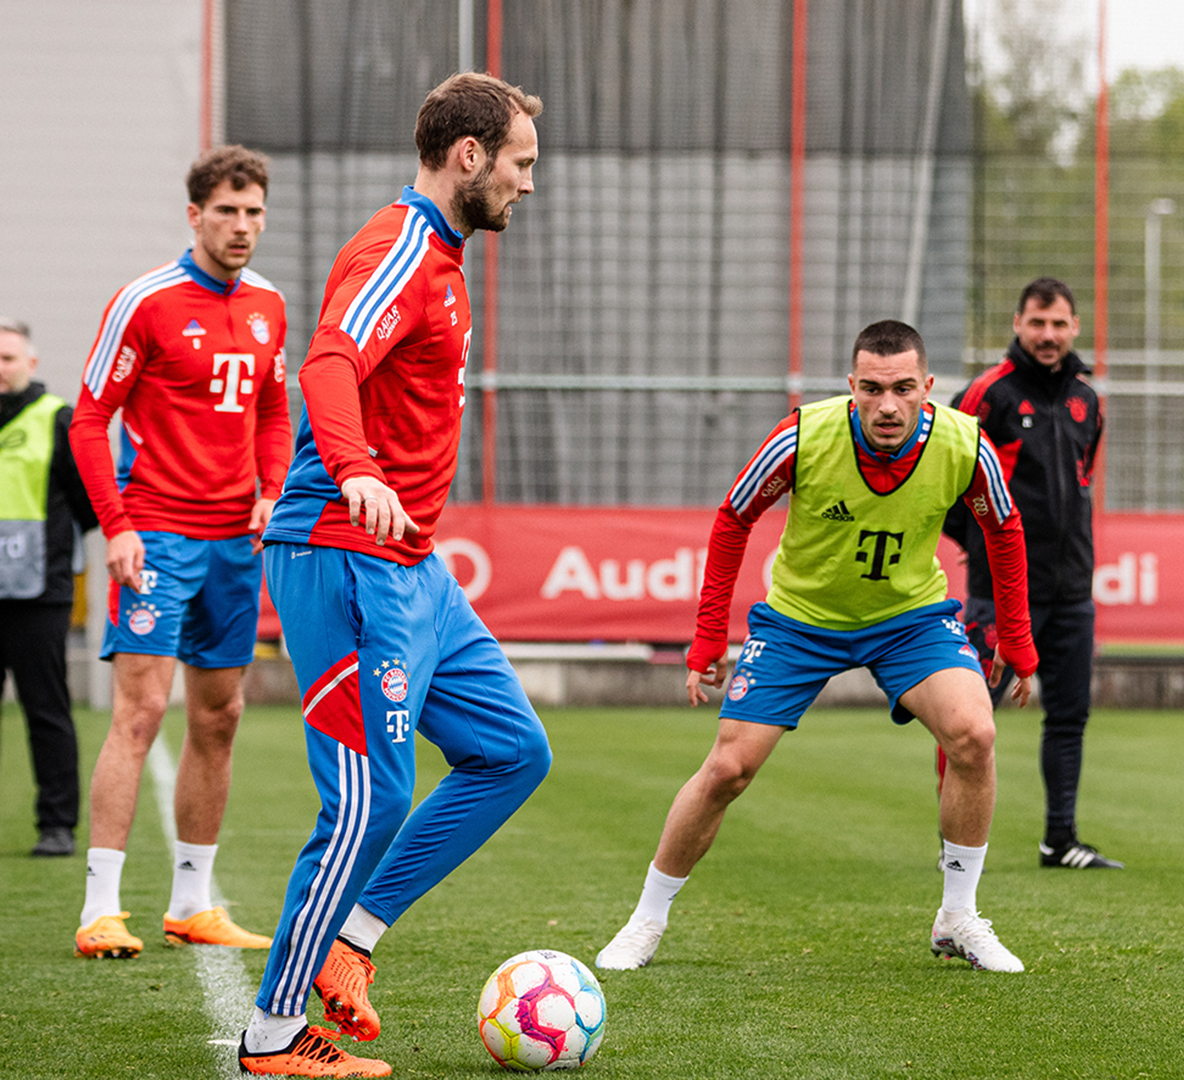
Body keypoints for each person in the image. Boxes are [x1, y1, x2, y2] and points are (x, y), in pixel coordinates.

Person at [236, 73, 550, 1078]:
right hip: (342, 555)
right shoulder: (402, 247)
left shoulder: (446, 260)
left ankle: (350, 940)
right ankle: (275, 1035)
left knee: (511, 751)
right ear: (470, 157)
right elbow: (326, 365)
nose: (528, 184)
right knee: (368, 799)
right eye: (520, 164)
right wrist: (360, 473)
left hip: (413, 568)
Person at [595, 319, 1039, 975]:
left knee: (975, 733)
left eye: (904, 388)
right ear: (851, 385)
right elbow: (733, 517)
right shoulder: (803, 436)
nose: (888, 405)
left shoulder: (963, 443)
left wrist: (1017, 639)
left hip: (910, 619)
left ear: (929, 387)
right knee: (727, 769)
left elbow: (1004, 528)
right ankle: (646, 920)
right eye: (873, 388)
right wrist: (708, 639)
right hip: (800, 621)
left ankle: (959, 916)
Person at [68, 146, 290, 959]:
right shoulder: (147, 302)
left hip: (235, 539)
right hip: (156, 534)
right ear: (194, 215)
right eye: (228, 211)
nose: (243, 227)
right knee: (137, 715)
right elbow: (88, 419)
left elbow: (273, 408)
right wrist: (117, 526)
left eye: (255, 212)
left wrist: (271, 485)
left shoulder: (270, 305)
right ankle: (101, 908)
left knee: (221, 715)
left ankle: (193, 903)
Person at [944, 277, 1118, 869]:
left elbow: (1085, 481)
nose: (1048, 335)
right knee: (969, 719)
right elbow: (942, 480)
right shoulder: (986, 394)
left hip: (1072, 589)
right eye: (1038, 323)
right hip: (998, 591)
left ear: (1074, 328)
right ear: (1017, 323)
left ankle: (1060, 839)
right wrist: (983, 549)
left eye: (1059, 324)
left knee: (1069, 716)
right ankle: (954, 848)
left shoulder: (1087, 398)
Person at [0, 318, 96, 858]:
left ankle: (57, 825)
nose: (0, 368)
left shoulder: (56, 419)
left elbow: (86, 504)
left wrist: (52, 553)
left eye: (8, 358)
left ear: (30, 364)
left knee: (46, 710)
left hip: (39, 595)